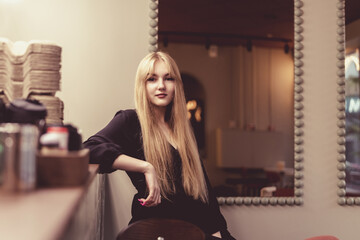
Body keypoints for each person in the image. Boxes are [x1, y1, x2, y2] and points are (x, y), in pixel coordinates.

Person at [84, 51, 235, 240]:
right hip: (156, 231)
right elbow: (89, 149)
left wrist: (218, 231)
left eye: (168, 78)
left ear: (176, 86)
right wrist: (146, 167)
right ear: (143, 85)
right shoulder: (130, 120)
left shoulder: (183, 130)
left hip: (194, 231)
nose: (161, 86)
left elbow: (204, 193)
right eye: (152, 79)